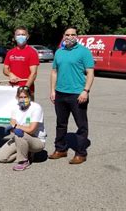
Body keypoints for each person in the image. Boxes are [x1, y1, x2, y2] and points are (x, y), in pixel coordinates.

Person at [49, 26, 94, 164]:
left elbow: (90, 73)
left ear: (77, 36)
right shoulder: (59, 52)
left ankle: (81, 153)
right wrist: (52, 90)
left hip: (77, 94)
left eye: (73, 34)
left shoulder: (84, 52)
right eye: (67, 34)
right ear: (63, 36)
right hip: (60, 93)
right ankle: (60, 149)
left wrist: (85, 91)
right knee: (61, 124)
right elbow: (54, 72)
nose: (70, 37)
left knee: (81, 125)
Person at [0, 87, 46, 171]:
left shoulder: (36, 108)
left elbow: (31, 130)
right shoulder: (15, 108)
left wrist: (16, 127)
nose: (23, 99)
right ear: (17, 98)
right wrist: (14, 127)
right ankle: (26, 152)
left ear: (30, 97)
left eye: (25, 97)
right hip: (21, 138)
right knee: (2, 158)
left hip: (36, 140)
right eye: (21, 97)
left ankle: (23, 161)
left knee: (20, 134)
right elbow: (12, 122)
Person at [3, 26, 39, 97]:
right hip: (12, 89)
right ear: (15, 37)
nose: (20, 36)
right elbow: (5, 69)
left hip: (27, 91)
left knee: (27, 108)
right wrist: (10, 74)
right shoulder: (10, 52)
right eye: (18, 35)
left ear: (27, 37)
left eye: (23, 34)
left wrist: (25, 89)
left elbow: (33, 73)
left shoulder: (32, 52)